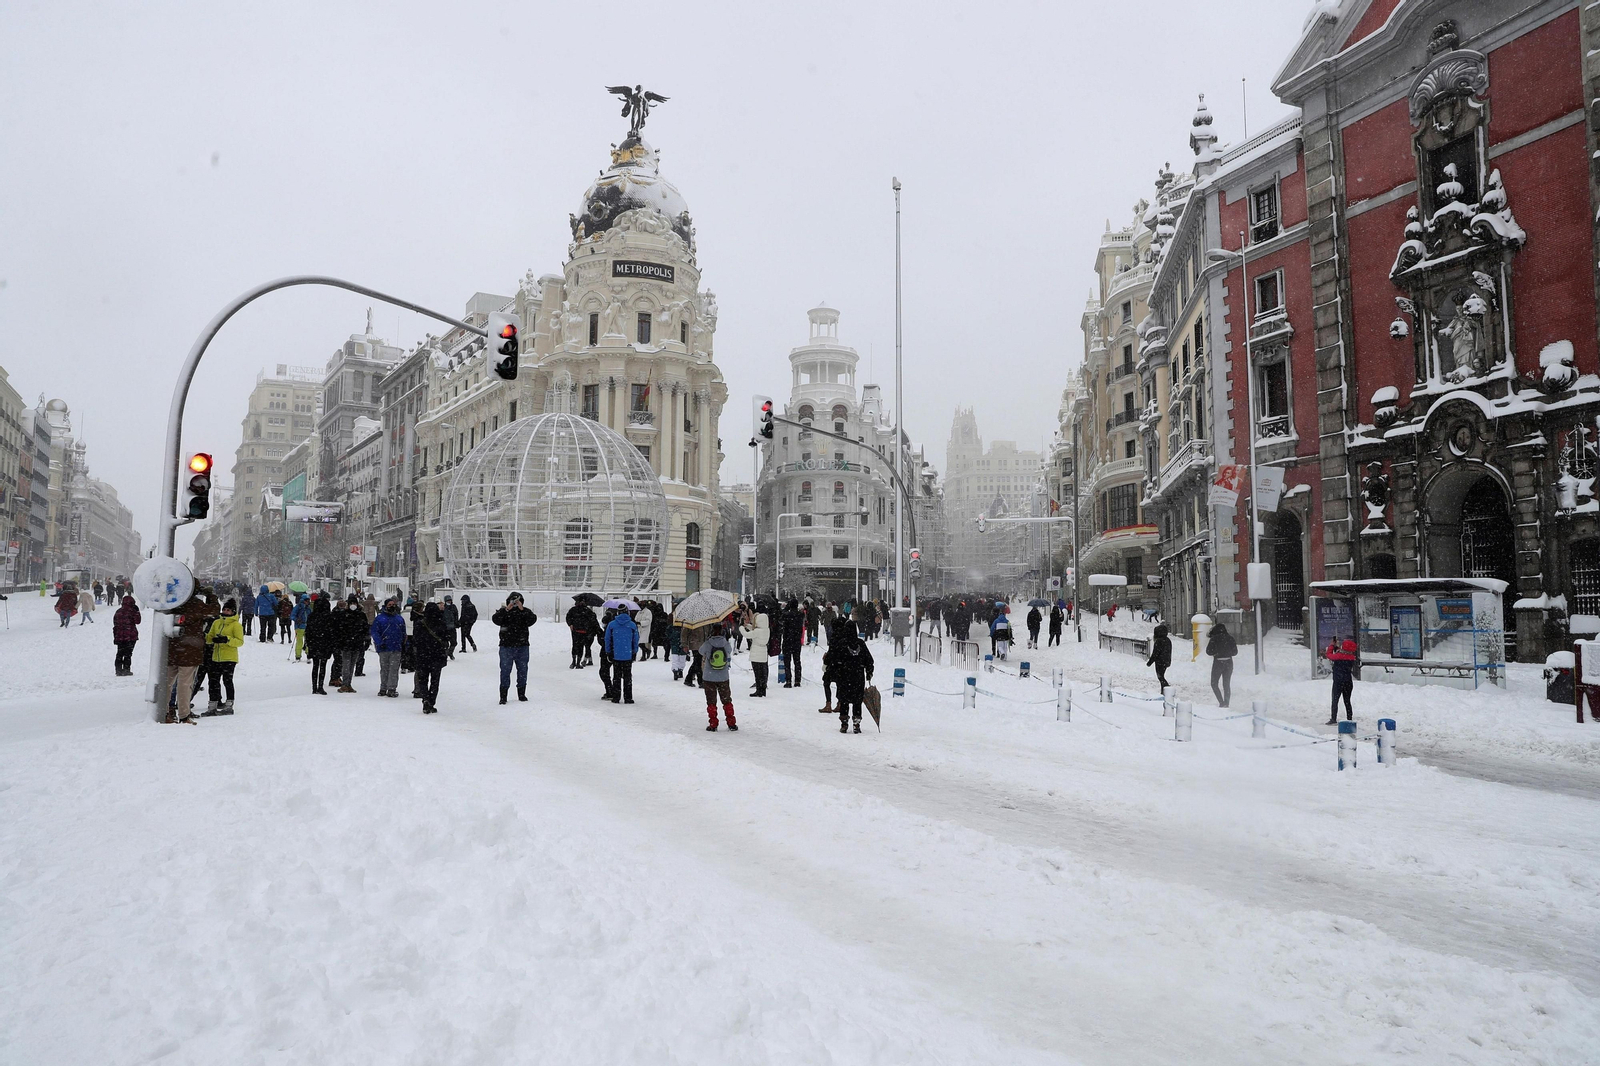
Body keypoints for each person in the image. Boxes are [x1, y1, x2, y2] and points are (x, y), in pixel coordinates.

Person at [165, 591, 216, 723]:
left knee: (167, 683)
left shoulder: (173, 603)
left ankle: (165, 712)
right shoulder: (196, 605)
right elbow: (214, 610)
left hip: (173, 648)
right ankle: (183, 714)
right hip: (189, 650)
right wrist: (210, 595)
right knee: (185, 684)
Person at [824, 621, 875, 734]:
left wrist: (831, 670)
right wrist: (869, 672)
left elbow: (832, 659)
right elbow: (869, 660)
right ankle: (856, 723)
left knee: (844, 700)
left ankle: (844, 723)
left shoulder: (841, 643)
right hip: (858, 676)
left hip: (844, 676)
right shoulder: (860, 644)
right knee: (857, 701)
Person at [492, 592, 538, 704]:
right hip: (506, 646)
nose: (515, 603)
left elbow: (532, 620)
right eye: (513, 601)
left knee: (522, 670)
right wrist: (507, 609)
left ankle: (521, 694)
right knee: (505, 671)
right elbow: (495, 620)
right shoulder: (504, 612)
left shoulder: (525, 612)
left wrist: (522, 609)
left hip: (522, 646)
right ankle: (503, 696)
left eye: (517, 601)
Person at [203, 598, 245, 715]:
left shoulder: (236, 625)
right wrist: (207, 637)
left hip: (229, 658)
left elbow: (240, 641)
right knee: (213, 682)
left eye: (228, 610)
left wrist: (227, 640)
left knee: (227, 681)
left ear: (233, 612)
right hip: (216, 657)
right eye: (224, 609)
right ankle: (212, 706)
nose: (226, 612)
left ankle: (229, 705)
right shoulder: (217, 622)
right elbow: (209, 637)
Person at [412, 601, 451, 713]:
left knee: (423, 680)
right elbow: (447, 638)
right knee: (435, 681)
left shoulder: (420, 623)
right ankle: (431, 701)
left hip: (423, 656)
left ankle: (425, 699)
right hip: (437, 656)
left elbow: (416, 640)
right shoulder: (441, 623)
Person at [699, 624, 737, 731]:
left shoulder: (708, 643)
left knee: (711, 701)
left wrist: (707, 641)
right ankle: (731, 723)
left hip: (709, 677)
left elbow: (701, 651)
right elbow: (729, 651)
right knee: (726, 700)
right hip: (723, 676)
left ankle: (713, 724)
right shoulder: (725, 643)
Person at [370, 598, 406, 697]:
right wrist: (379, 642)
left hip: (396, 647)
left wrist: (404, 643)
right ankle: (383, 687)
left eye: (393, 604)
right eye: (389, 604)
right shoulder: (380, 618)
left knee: (394, 669)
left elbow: (403, 632)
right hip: (384, 647)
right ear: (385, 606)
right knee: (384, 668)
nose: (392, 606)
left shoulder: (399, 618)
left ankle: (391, 688)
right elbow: (375, 632)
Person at [603, 607, 639, 703]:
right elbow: (636, 640)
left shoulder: (612, 625)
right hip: (628, 654)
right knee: (627, 677)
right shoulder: (632, 625)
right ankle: (628, 697)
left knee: (616, 676)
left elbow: (607, 639)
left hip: (616, 654)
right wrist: (634, 651)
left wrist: (608, 651)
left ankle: (616, 697)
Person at [305, 597, 336, 694]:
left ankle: (314, 687)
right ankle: (320, 686)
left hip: (315, 643)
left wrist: (309, 643)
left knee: (315, 665)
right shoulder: (329, 617)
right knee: (323, 665)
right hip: (325, 644)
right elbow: (332, 632)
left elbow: (308, 631)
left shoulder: (312, 616)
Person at [1326, 637, 1358, 724]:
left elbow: (1329, 655)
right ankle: (1349, 717)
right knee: (1347, 700)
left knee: (1335, 700)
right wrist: (1337, 648)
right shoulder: (1351, 657)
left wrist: (1332, 645)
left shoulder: (1339, 656)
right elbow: (1343, 653)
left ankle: (1333, 719)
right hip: (1348, 681)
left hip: (1338, 681)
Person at [1206, 621, 1237, 708]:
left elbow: (1208, 651)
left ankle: (1221, 702)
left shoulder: (1214, 639)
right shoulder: (1230, 638)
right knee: (1226, 684)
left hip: (1218, 663)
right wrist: (1227, 652)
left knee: (1214, 683)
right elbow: (1235, 652)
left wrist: (1217, 653)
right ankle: (1226, 703)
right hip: (1229, 662)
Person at [743, 605, 770, 697]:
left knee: (757, 673)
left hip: (756, 654)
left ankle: (759, 690)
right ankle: (763, 689)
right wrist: (748, 625)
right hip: (763, 653)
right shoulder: (766, 630)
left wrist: (742, 628)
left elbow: (747, 634)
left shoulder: (757, 632)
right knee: (763, 672)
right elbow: (754, 630)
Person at [112, 593, 141, 676]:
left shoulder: (118, 611)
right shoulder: (133, 611)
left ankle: (118, 670)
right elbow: (138, 621)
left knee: (119, 653)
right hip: (130, 636)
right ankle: (126, 669)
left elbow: (115, 624)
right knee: (128, 654)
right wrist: (137, 611)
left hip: (120, 636)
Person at [780, 598, 804, 687]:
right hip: (797, 640)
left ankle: (788, 680)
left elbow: (780, 618)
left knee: (787, 661)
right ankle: (797, 680)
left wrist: (786, 608)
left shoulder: (786, 615)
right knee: (797, 661)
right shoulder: (800, 615)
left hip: (787, 640)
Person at [565, 597, 594, 669]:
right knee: (580, 647)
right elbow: (592, 619)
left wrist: (570, 624)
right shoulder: (587, 610)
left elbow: (568, 617)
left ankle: (574, 662)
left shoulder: (573, 610)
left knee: (575, 646)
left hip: (576, 631)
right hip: (582, 631)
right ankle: (577, 662)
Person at [1146, 623, 1172, 692]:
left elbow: (1155, 653)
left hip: (1159, 662)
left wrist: (1149, 662)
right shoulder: (1168, 640)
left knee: (1160, 677)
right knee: (1161, 676)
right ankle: (1163, 690)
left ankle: (1167, 690)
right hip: (1166, 661)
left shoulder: (1159, 641)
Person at [291, 593, 310, 661]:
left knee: (308, 641)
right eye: (307, 600)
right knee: (300, 641)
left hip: (307, 626)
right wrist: (296, 619)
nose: (308, 601)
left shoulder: (308, 608)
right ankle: (298, 656)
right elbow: (292, 616)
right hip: (299, 626)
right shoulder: (298, 607)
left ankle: (309, 655)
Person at [441, 594, 459, 660]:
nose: (449, 602)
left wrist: (456, 623)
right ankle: (446, 654)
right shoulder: (443, 608)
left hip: (452, 627)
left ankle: (450, 652)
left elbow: (456, 615)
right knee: (445, 643)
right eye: (448, 601)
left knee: (454, 642)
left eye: (450, 601)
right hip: (445, 628)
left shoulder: (453, 607)